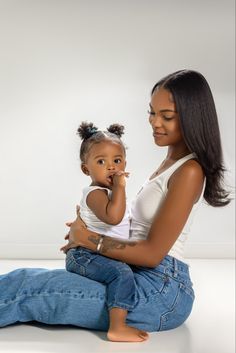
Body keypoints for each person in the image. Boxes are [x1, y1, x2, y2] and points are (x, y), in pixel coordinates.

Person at [0, 70, 230, 335]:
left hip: (159, 292)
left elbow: (152, 254)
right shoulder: (170, 164)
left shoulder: (189, 171)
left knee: (32, 289)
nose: (155, 123)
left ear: (191, 117)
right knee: (24, 278)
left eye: (166, 116)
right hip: (135, 276)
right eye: (152, 112)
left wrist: (87, 239)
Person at [65, 122, 148, 342]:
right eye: (101, 161)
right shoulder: (95, 193)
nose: (111, 167)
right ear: (86, 169)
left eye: (117, 161)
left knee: (127, 269)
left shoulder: (112, 194)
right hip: (86, 255)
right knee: (122, 273)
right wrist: (120, 187)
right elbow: (114, 217)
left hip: (98, 251)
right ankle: (117, 327)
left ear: (125, 163)